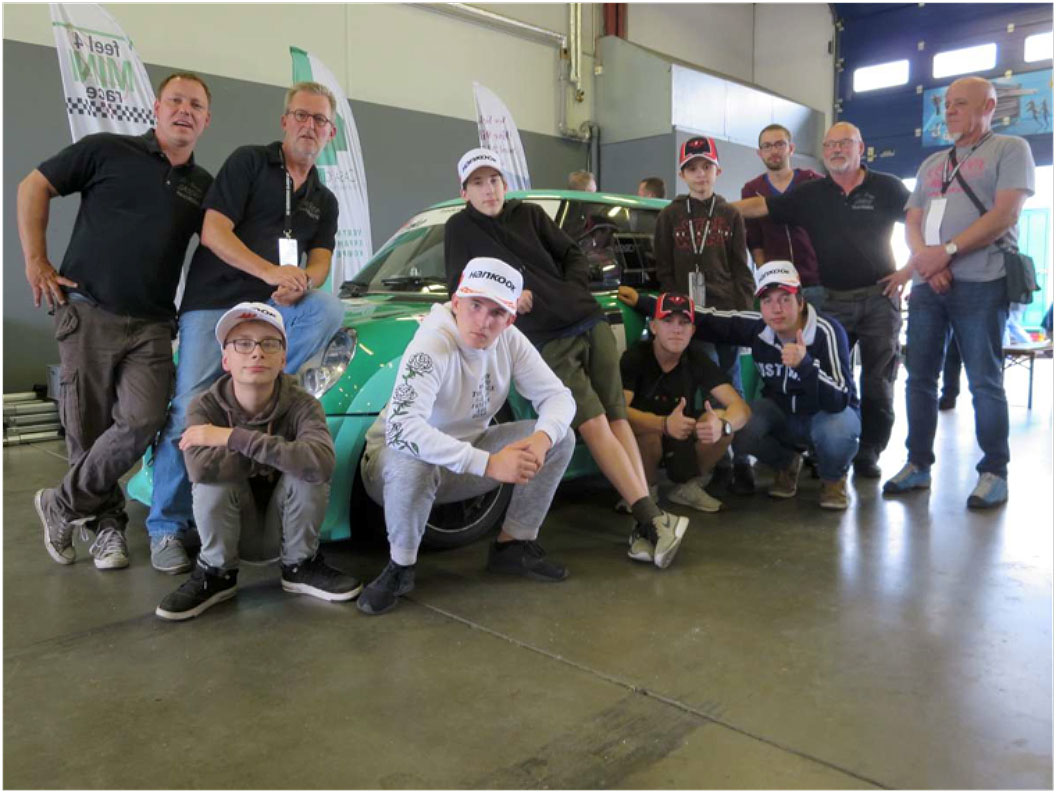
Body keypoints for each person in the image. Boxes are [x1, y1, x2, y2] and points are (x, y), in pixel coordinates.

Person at [445, 149, 689, 568]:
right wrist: (508, 298)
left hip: (590, 320)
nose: (489, 190)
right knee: (593, 424)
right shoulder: (459, 228)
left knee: (617, 417)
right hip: (546, 339)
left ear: (505, 183)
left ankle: (647, 517)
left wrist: (571, 290)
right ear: (464, 191)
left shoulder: (530, 214)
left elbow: (573, 254)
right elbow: (459, 287)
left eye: (494, 180)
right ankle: (652, 519)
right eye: (478, 183)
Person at [147, 81, 348, 574]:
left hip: (271, 311)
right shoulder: (250, 163)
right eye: (301, 115)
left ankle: (253, 390)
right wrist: (270, 272)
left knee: (326, 309)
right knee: (189, 407)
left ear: (330, 132)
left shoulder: (323, 198)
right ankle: (167, 525)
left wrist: (303, 281)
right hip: (215, 302)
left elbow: (321, 260)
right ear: (284, 121)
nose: (309, 125)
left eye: (320, 120)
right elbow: (213, 232)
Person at [18, 73, 214, 570]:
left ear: (206, 120)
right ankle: (106, 528)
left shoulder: (202, 187)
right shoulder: (106, 150)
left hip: (153, 323)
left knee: (143, 420)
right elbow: (33, 185)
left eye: (195, 105)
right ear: (156, 108)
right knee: (87, 429)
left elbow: (223, 241)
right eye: (176, 101)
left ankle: (60, 503)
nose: (185, 110)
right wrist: (36, 260)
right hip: (88, 309)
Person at [358, 259, 577, 615]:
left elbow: (559, 397)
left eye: (497, 312)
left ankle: (513, 546)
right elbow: (402, 430)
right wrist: (489, 463)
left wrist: (541, 440)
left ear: (510, 319)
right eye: (475, 305)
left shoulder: (509, 341)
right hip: (392, 469)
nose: (483, 321)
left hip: (463, 458)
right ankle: (400, 566)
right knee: (413, 460)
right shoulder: (432, 343)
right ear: (457, 301)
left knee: (560, 437)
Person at [883, 76, 1035, 509]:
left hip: (982, 283)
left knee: (984, 381)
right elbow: (913, 220)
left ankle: (994, 472)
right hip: (929, 285)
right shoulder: (933, 162)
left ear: (988, 106)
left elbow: (1004, 215)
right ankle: (917, 464)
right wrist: (926, 262)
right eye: (946, 104)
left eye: (959, 104)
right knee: (919, 379)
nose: (948, 111)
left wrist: (945, 253)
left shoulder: (1010, 149)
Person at [155, 303, 359, 620]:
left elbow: (321, 462)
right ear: (225, 359)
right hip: (234, 528)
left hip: (287, 527)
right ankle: (216, 573)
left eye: (269, 343)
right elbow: (200, 468)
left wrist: (232, 438)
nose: (257, 353)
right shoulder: (204, 406)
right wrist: (279, 455)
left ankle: (300, 567)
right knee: (212, 481)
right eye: (243, 344)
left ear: (282, 359)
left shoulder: (304, 404)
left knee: (308, 471)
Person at [731, 122, 910, 480]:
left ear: (861, 147)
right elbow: (762, 206)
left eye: (845, 143)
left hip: (881, 298)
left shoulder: (887, 186)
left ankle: (869, 451)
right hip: (833, 301)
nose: (837, 150)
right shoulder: (813, 192)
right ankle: (828, 446)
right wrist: (714, 207)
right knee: (827, 376)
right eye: (830, 145)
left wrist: (911, 269)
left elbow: (924, 222)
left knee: (878, 382)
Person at [619, 261, 860, 510]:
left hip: (824, 414)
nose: (776, 309)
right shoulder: (759, 327)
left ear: (800, 302)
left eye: (785, 299)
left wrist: (805, 366)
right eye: (767, 300)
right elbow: (710, 319)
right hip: (782, 411)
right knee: (742, 428)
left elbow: (840, 399)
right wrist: (644, 302)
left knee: (838, 429)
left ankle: (833, 478)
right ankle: (786, 463)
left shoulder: (827, 331)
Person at [654, 136, 755, 494]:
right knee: (708, 388)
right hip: (692, 318)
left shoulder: (730, 215)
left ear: (717, 171)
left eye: (706, 167)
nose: (700, 175)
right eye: (693, 168)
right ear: (682, 174)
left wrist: (744, 315)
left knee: (733, 386)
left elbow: (740, 268)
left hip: (726, 314)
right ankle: (721, 463)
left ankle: (742, 461)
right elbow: (664, 268)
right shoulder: (669, 216)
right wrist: (677, 313)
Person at [620, 292, 751, 551]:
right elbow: (617, 413)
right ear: (653, 326)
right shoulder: (635, 357)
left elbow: (741, 409)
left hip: (682, 438)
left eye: (684, 323)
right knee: (647, 432)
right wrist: (662, 424)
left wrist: (722, 425)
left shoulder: (696, 358)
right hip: (646, 442)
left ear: (693, 330)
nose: (676, 329)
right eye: (668, 321)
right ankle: (645, 492)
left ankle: (687, 486)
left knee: (722, 421)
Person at [740, 124, 825, 308]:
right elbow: (754, 241)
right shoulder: (751, 190)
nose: (773, 151)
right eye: (767, 146)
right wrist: (767, 274)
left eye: (779, 144)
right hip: (777, 287)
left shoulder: (814, 182)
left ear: (791, 148)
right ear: (759, 153)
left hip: (817, 284)